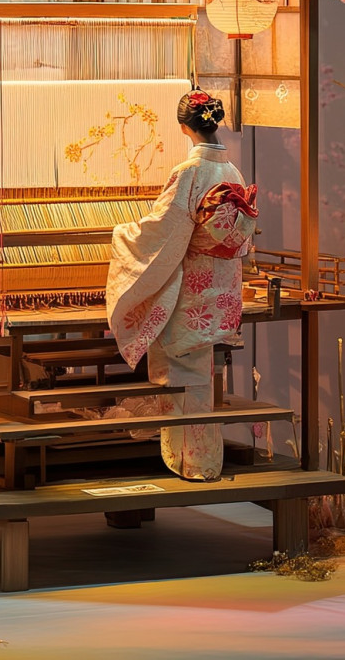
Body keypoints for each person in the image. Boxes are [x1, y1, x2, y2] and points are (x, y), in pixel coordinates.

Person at [106, 89, 258, 480]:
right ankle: (203, 462)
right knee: (198, 380)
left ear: (182, 127)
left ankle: (193, 466)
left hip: (191, 290)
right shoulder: (232, 173)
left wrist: (123, 234)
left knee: (182, 381)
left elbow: (164, 229)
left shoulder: (190, 172)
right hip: (219, 287)